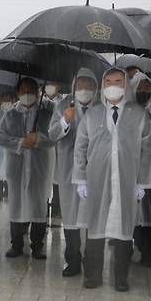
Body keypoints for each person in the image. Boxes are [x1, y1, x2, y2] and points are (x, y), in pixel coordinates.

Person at [73, 67, 151, 291]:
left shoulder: (139, 114)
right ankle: (92, 276)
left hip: (127, 181)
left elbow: (147, 151)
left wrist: (142, 182)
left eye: (118, 81)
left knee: (123, 230)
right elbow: (80, 147)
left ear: (126, 84)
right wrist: (81, 179)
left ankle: (121, 278)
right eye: (108, 82)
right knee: (95, 228)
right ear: (103, 86)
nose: (113, 86)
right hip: (97, 180)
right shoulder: (94, 113)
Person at [0, 77, 55, 259]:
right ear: (17, 93)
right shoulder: (11, 114)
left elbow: (55, 136)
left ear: (38, 92)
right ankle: (17, 245)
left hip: (39, 167)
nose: (27, 93)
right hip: (16, 168)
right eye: (24, 90)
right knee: (16, 205)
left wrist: (38, 140)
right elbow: (1, 138)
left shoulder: (47, 112)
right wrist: (21, 142)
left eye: (32, 90)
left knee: (38, 206)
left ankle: (37, 246)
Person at [48, 68, 99, 277]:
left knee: (93, 217)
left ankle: (92, 261)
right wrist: (65, 121)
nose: (84, 90)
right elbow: (52, 134)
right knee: (71, 217)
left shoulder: (102, 108)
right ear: (74, 87)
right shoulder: (63, 105)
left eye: (89, 86)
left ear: (96, 88)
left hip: (95, 173)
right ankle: (73, 260)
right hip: (69, 171)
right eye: (80, 85)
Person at [131, 72, 151, 269]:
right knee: (131, 212)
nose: (143, 91)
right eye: (139, 88)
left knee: (148, 211)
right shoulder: (125, 113)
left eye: (146, 88)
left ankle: (148, 253)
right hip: (128, 171)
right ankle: (134, 246)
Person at [44, 81, 64, 225]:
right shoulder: (40, 102)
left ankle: (57, 213)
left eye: (53, 84)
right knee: (44, 182)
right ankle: (43, 214)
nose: (50, 87)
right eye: (48, 84)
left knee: (57, 182)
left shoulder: (65, 103)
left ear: (59, 87)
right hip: (43, 147)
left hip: (59, 146)